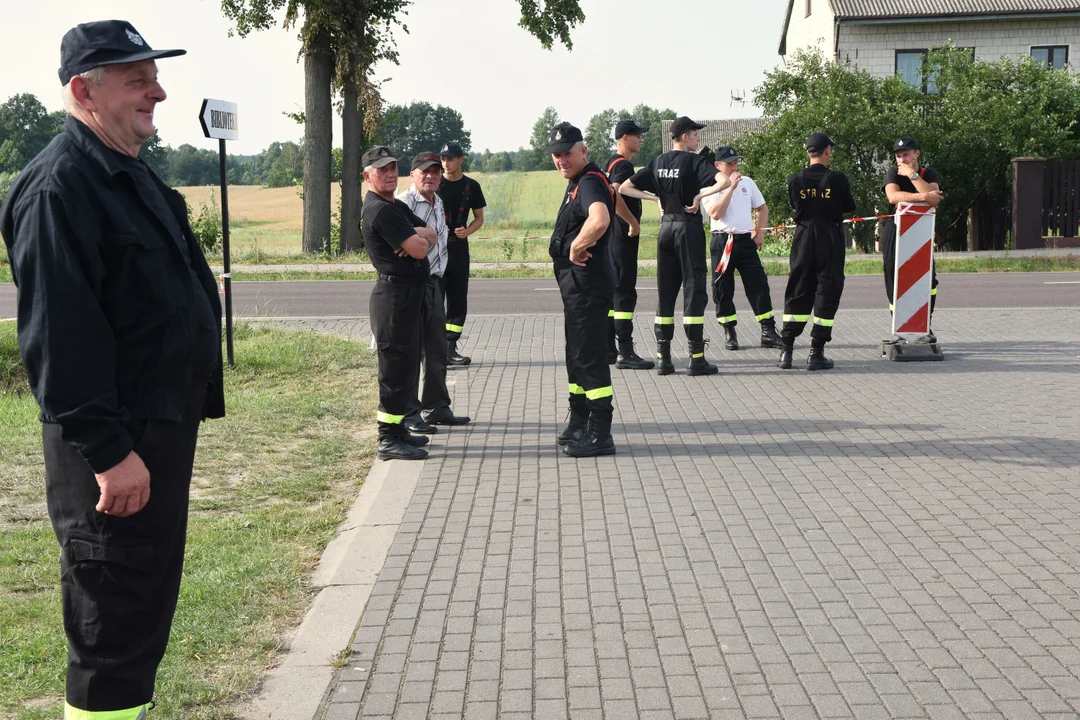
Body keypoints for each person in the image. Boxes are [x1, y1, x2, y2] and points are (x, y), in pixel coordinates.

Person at [0, 21, 223, 719]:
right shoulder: (58, 189)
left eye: (154, 76)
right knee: (111, 629)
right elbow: (59, 340)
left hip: (150, 438)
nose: (156, 91)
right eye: (136, 79)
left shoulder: (128, 172)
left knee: (138, 619)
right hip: (113, 452)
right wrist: (108, 451)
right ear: (83, 91)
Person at [618, 116, 730, 376]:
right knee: (694, 290)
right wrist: (701, 195)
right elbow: (724, 181)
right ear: (684, 136)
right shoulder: (695, 161)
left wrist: (654, 197)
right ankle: (696, 358)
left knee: (666, 292)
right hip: (687, 228)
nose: (698, 138)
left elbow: (624, 187)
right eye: (695, 134)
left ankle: (663, 358)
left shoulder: (658, 162)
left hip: (665, 229)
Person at [361, 145, 439, 460]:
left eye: (393, 167)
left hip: (407, 296)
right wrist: (416, 242)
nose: (390, 173)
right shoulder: (380, 209)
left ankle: (400, 431)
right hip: (393, 299)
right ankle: (388, 439)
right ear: (367, 176)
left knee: (406, 368)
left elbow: (431, 234)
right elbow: (422, 249)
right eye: (382, 169)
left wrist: (416, 238)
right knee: (393, 373)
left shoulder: (392, 205)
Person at [548, 122, 618, 457]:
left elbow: (600, 219)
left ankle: (600, 431)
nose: (562, 160)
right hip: (577, 287)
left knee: (589, 357)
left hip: (587, 284)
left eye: (567, 153)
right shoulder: (578, 181)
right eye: (557, 155)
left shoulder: (589, 181)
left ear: (583, 150)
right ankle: (579, 418)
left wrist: (577, 245)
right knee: (576, 355)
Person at [398, 152, 471, 433]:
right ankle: (409, 413)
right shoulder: (404, 203)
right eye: (424, 171)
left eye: (435, 172)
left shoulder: (437, 201)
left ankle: (437, 407)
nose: (430, 176)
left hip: (434, 282)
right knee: (411, 350)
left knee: (437, 349)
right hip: (413, 284)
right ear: (412, 174)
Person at [778, 133, 857, 370]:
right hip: (829, 236)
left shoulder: (795, 179)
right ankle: (816, 352)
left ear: (807, 153)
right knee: (828, 287)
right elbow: (848, 207)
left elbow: (795, 206)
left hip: (802, 237)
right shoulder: (838, 179)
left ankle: (786, 351)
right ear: (827, 152)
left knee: (798, 287)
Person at [702, 145, 783, 351]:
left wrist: (760, 232)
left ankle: (768, 331)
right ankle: (729, 330)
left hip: (745, 240)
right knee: (722, 288)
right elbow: (715, 213)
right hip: (722, 242)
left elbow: (762, 208)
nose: (735, 166)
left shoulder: (747, 182)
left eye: (736, 162)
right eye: (730, 164)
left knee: (759, 285)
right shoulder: (710, 186)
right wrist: (729, 188)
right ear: (717, 165)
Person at [604, 119, 654, 370]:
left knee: (613, 293)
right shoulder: (623, 165)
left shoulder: (611, 162)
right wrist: (633, 222)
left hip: (610, 236)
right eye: (637, 136)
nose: (641, 140)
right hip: (622, 236)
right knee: (624, 292)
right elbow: (614, 195)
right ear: (624, 137)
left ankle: (609, 349)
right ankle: (625, 350)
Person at [882, 137, 943, 340]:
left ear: (916, 153)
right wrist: (923, 197)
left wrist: (912, 175)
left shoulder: (928, 173)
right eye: (898, 156)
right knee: (893, 275)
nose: (902, 159)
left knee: (928, 278)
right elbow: (893, 197)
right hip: (895, 227)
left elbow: (934, 194)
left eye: (906, 155)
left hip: (921, 230)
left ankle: (925, 324)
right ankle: (899, 324)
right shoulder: (892, 173)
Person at [437, 142, 486, 366]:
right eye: (443, 158)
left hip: (459, 249)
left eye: (451, 158)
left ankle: (450, 348)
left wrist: (467, 232)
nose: (446, 163)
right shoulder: (435, 184)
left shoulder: (471, 186)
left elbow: (479, 218)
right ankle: (433, 347)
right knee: (435, 298)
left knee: (457, 300)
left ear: (461, 160)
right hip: (436, 249)